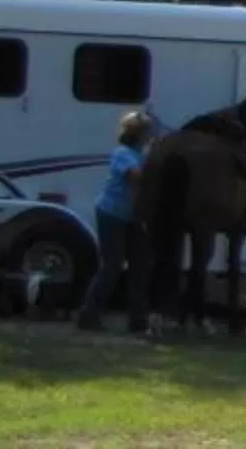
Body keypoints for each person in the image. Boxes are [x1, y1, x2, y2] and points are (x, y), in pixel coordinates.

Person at [76, 109, 155, 334]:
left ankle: (138, 320)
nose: (150, 136)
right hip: (112, 214)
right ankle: (88, 315)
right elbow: (136, 177)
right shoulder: (123, 153)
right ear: (137, 134)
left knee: (140, 265)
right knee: (112, 265)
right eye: (147, 132)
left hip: (133, 218)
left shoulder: (141, 155)